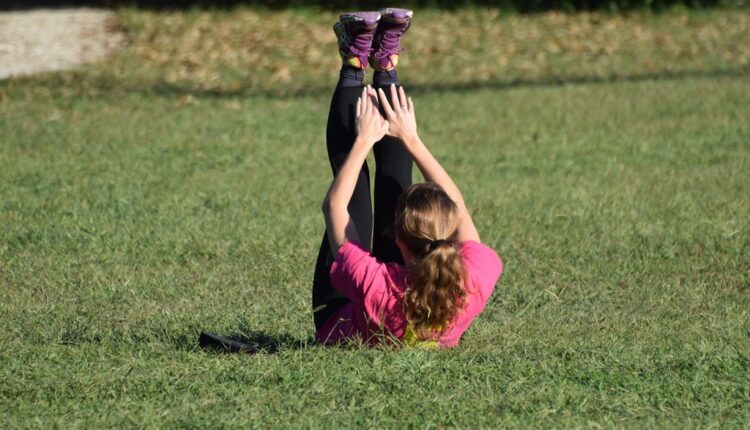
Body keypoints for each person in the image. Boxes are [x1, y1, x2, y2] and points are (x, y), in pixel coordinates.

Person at [312, 8, 503, 349]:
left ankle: (357, 63)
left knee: (355, 196)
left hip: (341, 317)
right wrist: (410, 140)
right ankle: (377, 63)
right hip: (386, 293)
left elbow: (334, 206)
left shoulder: (376, 286)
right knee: (389, 183)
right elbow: (456, 205)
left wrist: (364, 141)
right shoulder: (472, 280)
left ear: (397, 237)